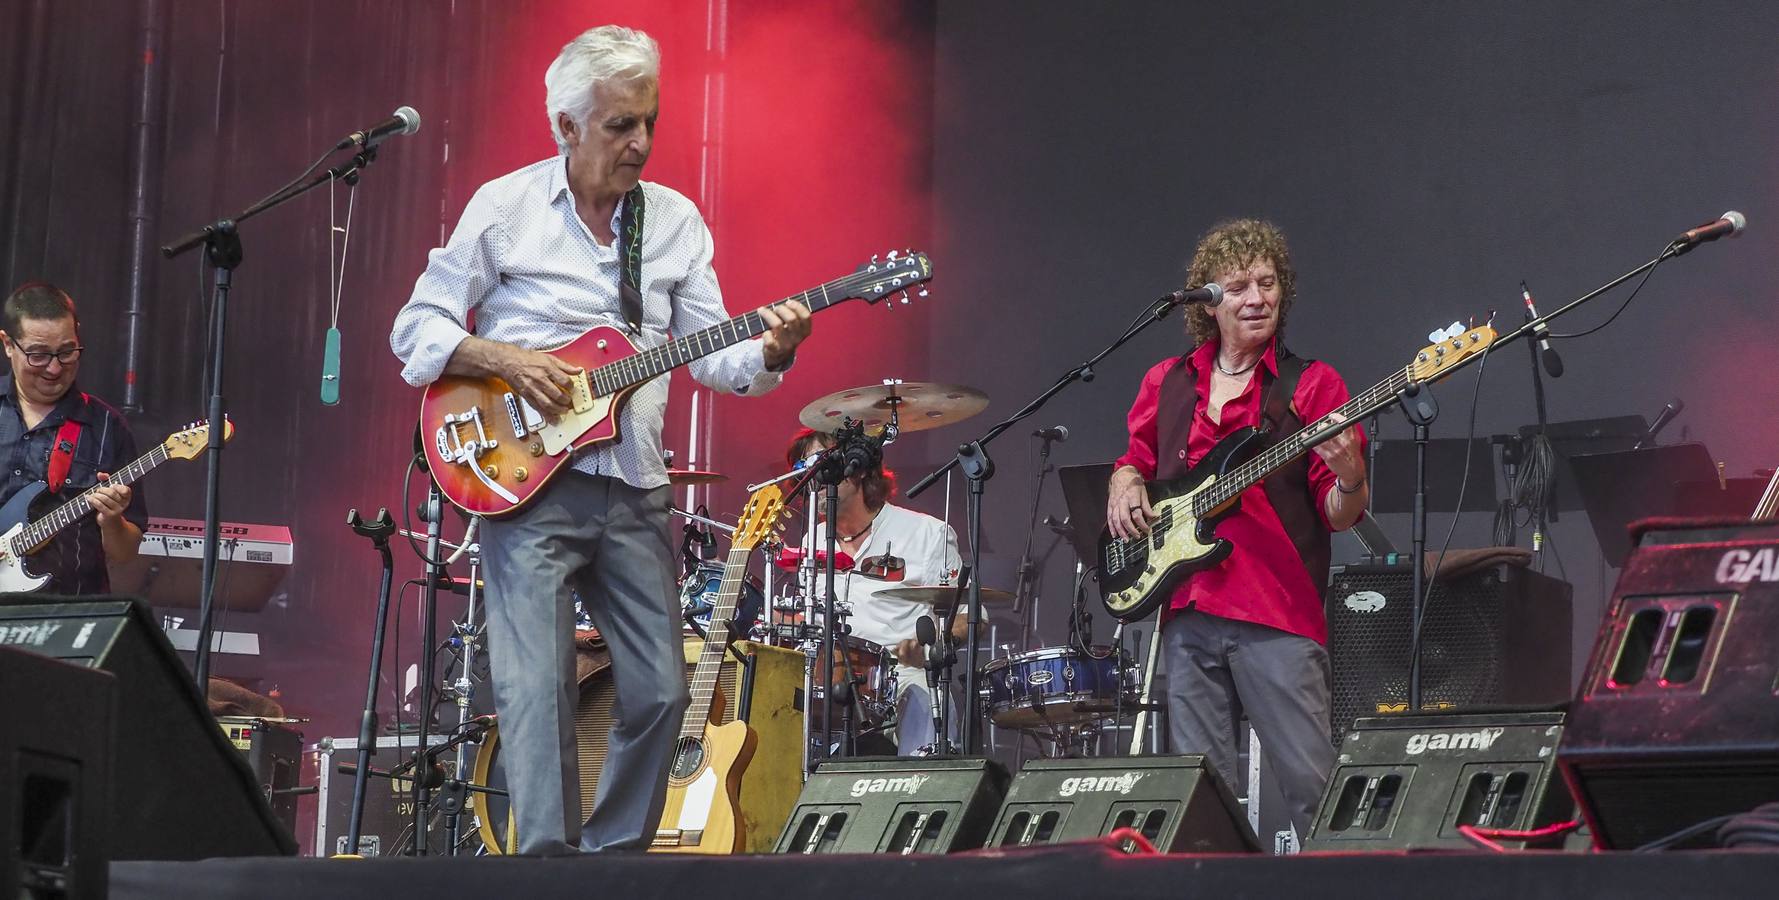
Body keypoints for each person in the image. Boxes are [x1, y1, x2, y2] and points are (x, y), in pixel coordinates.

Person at [390, 25, 811, 854]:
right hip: (525, 484)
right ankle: (547, 869)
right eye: (620, 125)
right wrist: (500, 355)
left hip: (632, 488)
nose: (641, 143)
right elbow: (417, 330)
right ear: (566, 127)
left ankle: (612, 859)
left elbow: (717, 354)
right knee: (536, 691)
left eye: (648, 122)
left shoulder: (676, 223)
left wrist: (771, 351)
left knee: (661, 691)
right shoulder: (505, 208)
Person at [1104, 219, 1367, 841]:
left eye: (1269, 283)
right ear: (1208, 300)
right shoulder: (1168, 380)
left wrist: (1351, 476)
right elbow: (1136, 458)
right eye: (1240, 285)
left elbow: (1339, 514)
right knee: (1201, 803)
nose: (1257, 298)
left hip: (1276, 611)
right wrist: (1122, 481)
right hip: (1187, 612)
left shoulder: (1311, 384)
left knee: (1310, 788)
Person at [784, 428, 965, 755]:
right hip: (828, 676)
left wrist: (932, 648)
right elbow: (806, 618)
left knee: (926, 695)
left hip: (901, 674)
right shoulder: (813, 539)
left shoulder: (927, 533)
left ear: (860, 468)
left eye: (822, 465)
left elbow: (967, 619)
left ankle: (921, 791)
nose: (814, 479)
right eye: (805, 469)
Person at [0, 282, 145, 593]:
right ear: (8, 344)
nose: (54, 368)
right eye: (38, 355)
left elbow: (126, 552)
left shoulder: (109, 427)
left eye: (67, 352)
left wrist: (113, 521)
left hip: (70, 614)